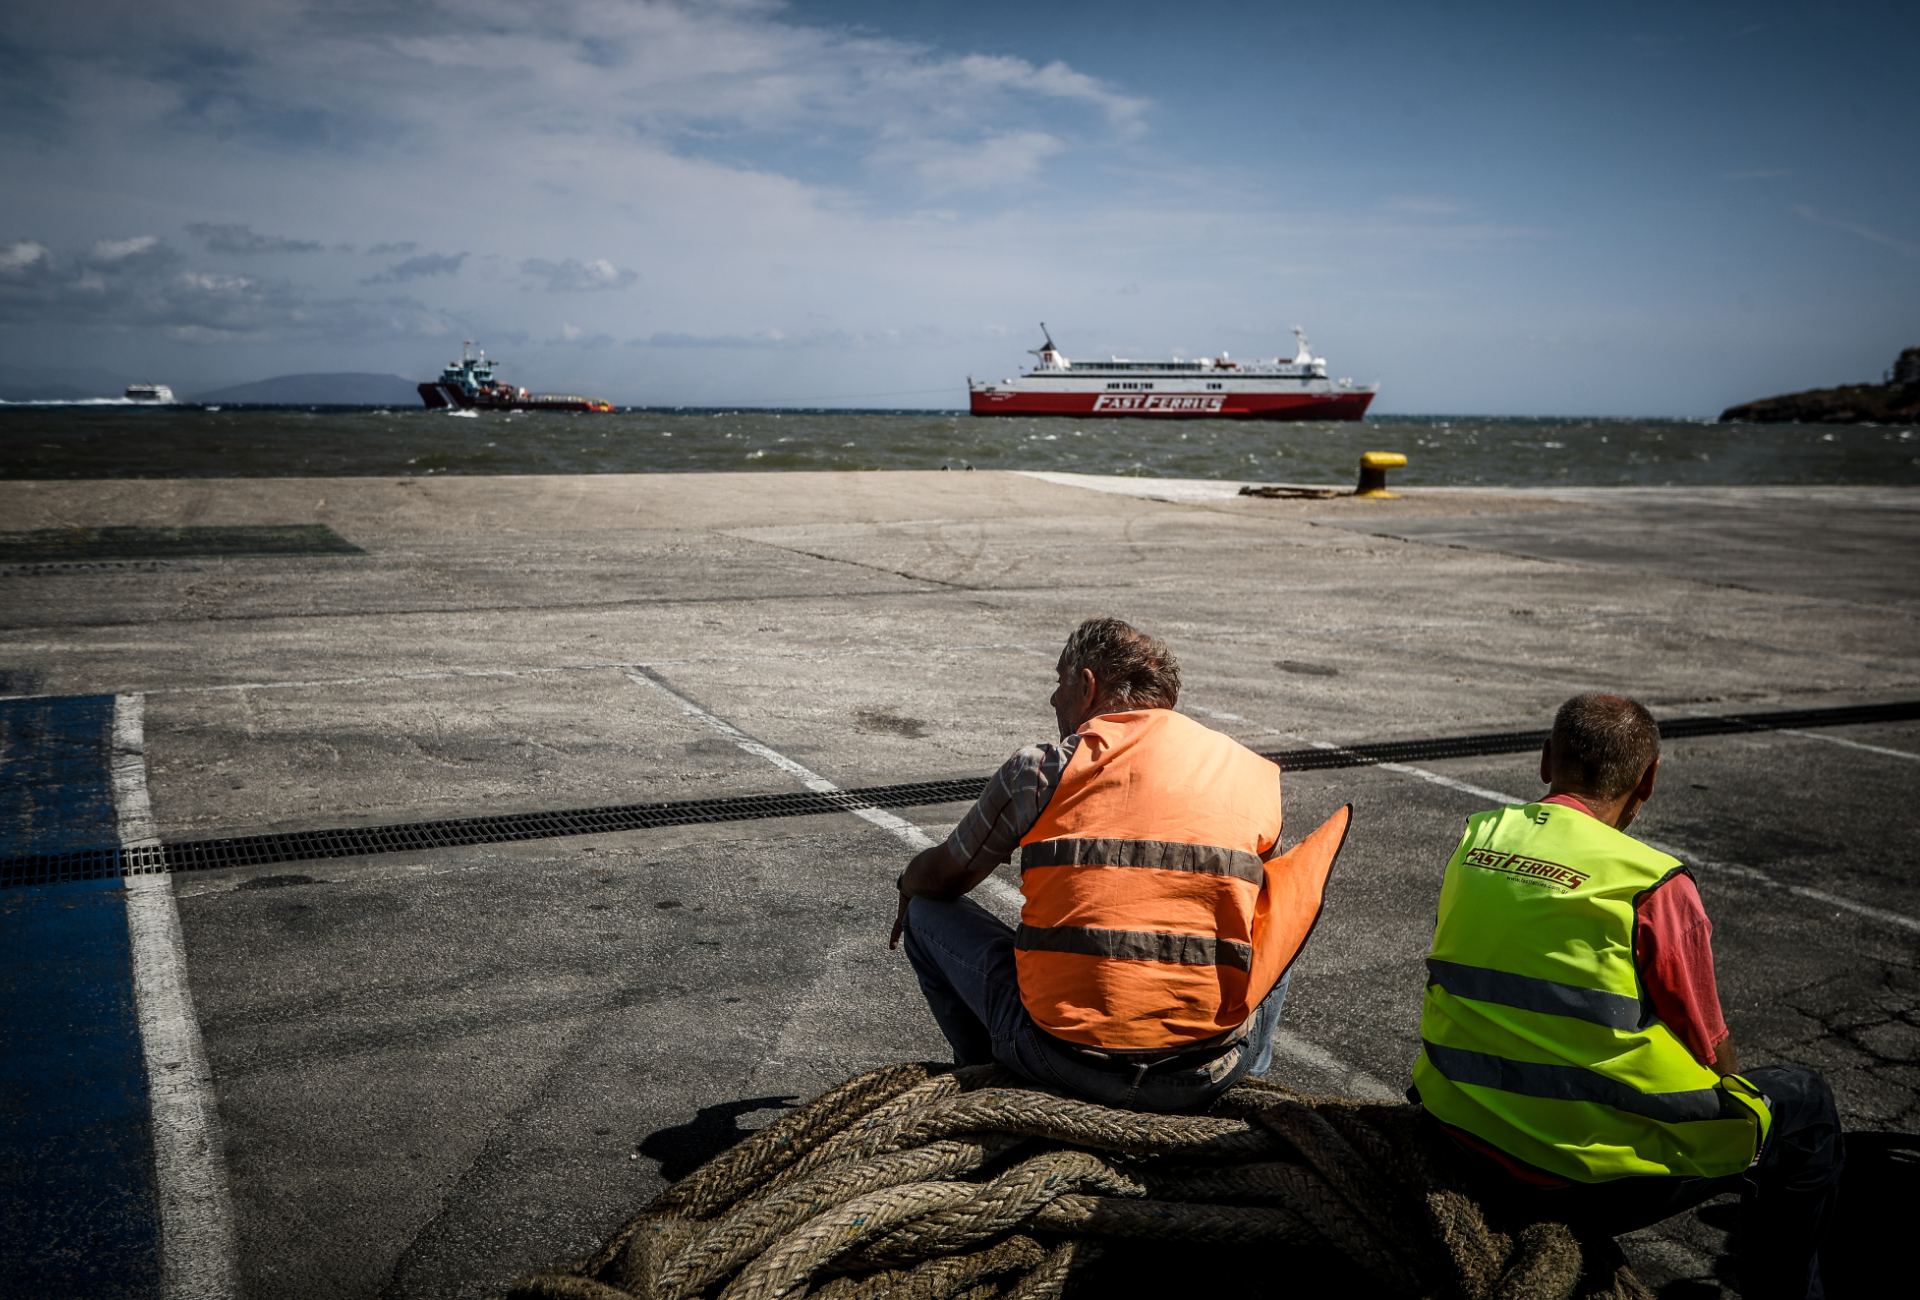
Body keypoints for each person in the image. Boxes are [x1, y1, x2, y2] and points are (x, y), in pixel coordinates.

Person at [1411, 693, 1844, 1299]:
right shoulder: (1652, 882)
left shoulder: (1478, 841)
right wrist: (1737, 1110)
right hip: (1575, 1177)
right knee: (1805, 1104)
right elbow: (1708, 1045)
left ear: (1544, 761)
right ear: (1649, 780)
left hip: (1456, 1129)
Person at [889, 616, 1350, 1112]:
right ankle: (1248, 1087)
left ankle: (988, 1089)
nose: (1052, 700)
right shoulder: (1248, 771)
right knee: (1276, 916)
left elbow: (942, 876)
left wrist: (906, 884)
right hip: (1205, 1071)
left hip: (1057, 1056)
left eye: (1059, 681)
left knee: (924, 912)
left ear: (1086, 686)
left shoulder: (1042, 769)